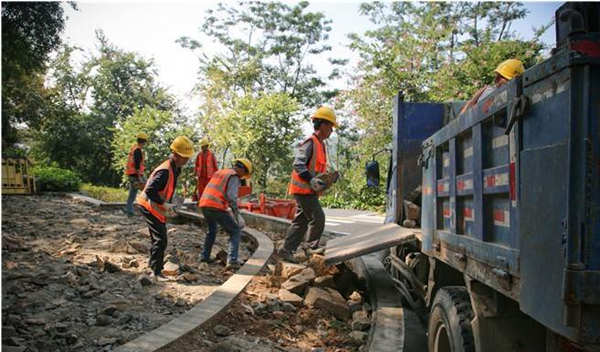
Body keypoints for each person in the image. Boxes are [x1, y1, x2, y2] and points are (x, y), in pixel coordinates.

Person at [279, 106, 338, 261]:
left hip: (308, 191)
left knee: (300, 222)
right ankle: (310, 248)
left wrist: (326, 179)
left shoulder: (321, 145)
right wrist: (311, 180)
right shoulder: (309, 143)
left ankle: (287, 250)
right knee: (318, 218)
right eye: (330, 127)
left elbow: (316, 169)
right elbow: (298, 164)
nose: (331, 131)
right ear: (323, 125)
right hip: (303, 190)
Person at [135, 136, 194, 281]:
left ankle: (153, 266)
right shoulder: (165, 170)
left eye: (187, 158)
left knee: (159, 238)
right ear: (175, 154)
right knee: (161, 239)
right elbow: (150, 190)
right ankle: (156, 272)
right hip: (148, 205)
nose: (186, 160)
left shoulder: (175, 168)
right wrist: (164, 203)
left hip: (155, 205)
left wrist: (168, 202)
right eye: (183, 157)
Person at [198, 158, 253, 270]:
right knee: (235, 231)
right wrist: (237, 215)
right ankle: (232, 260)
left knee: (211, 231)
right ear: (242, 169)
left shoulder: (221, 172)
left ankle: (204, 256)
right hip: (216, 206)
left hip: (204, 203)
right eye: (244, 174)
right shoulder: (234, 176)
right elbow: (231, 196)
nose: (242, 177)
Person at [459, 59, 525, 115]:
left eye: (500, 77)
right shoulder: (491, 92)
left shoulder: (517, 96)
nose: (496, 80)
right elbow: (463, 119)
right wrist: (474, 99)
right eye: (497, 76)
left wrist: (473, 100)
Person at [123, 132, 148, 216]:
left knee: (132, 193)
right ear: (143, 142)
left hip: (132, 174)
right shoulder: (137, 150)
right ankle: (146, 209)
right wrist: (140, 177)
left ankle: (129, 210)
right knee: (148, 190)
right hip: (136, 175)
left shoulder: (134, 148)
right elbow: (137, 164)